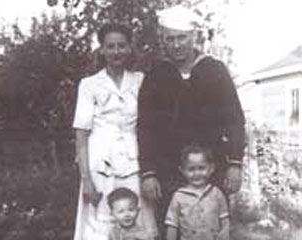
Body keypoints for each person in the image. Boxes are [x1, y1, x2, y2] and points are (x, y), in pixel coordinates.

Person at [137, 4, 245, 221]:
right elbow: (145, 127)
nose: (176, 45)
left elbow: (234, 120)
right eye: (170, 39)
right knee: (171, 228)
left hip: (211, 169)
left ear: (193, 37)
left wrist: (235, 164)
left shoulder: (215, 71)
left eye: (182, 38)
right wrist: (148, 173)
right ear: (163, 40)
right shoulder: (155, 76)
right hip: (168, 171)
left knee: (211, 226)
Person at [73, 23, 157, 240]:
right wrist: (87, 179)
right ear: (101, 50)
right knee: (99, 226)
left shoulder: (140, 81)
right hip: (100, 165)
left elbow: (149, 126)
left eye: (121, 46)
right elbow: (81, 136)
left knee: (137, 220)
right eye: (110, 46)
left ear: (129, 48)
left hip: (133, 162)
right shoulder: (89, 85)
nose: (116, 52)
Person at [166, 144, 229, 240]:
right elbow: (172, 225)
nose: (196, 173)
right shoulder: (178, 196)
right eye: (191, 169)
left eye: (201, 168)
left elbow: (225, 221)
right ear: (182, 170)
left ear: (211, 168)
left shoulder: (216, 193)